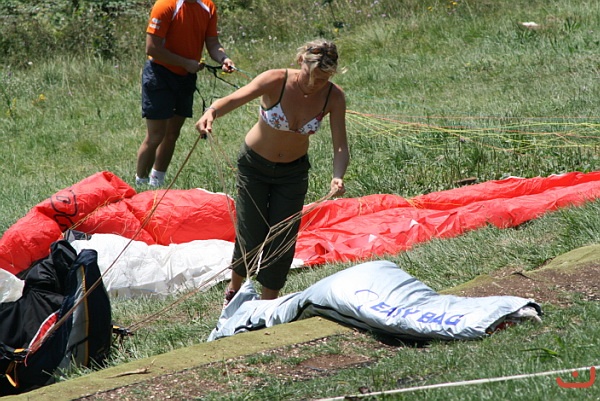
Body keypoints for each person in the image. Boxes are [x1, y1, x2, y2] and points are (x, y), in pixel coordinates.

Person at [195, 39, 350, 303]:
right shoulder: (275, 80)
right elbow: (231, 99)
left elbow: (340, 145)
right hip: (254, 166)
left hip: (293, 173)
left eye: (323, 78)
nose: (315, 83)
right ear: (300, 61)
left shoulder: (333, 96)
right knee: (251, 232)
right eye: (312, 75)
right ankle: (234, 290)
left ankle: (268, 304)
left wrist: (338, 175)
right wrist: (211, 112)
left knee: (283, 238)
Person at [136, 0, 235, 187]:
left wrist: (223, 58)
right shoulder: (166, 5)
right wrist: (185, 62)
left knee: (172, 133)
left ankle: (157, 182)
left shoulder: (207, 6)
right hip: (159, 74)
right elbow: (152, 48)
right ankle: (139, 184)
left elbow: (212, 42)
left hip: (185, 77)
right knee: (156, 135)